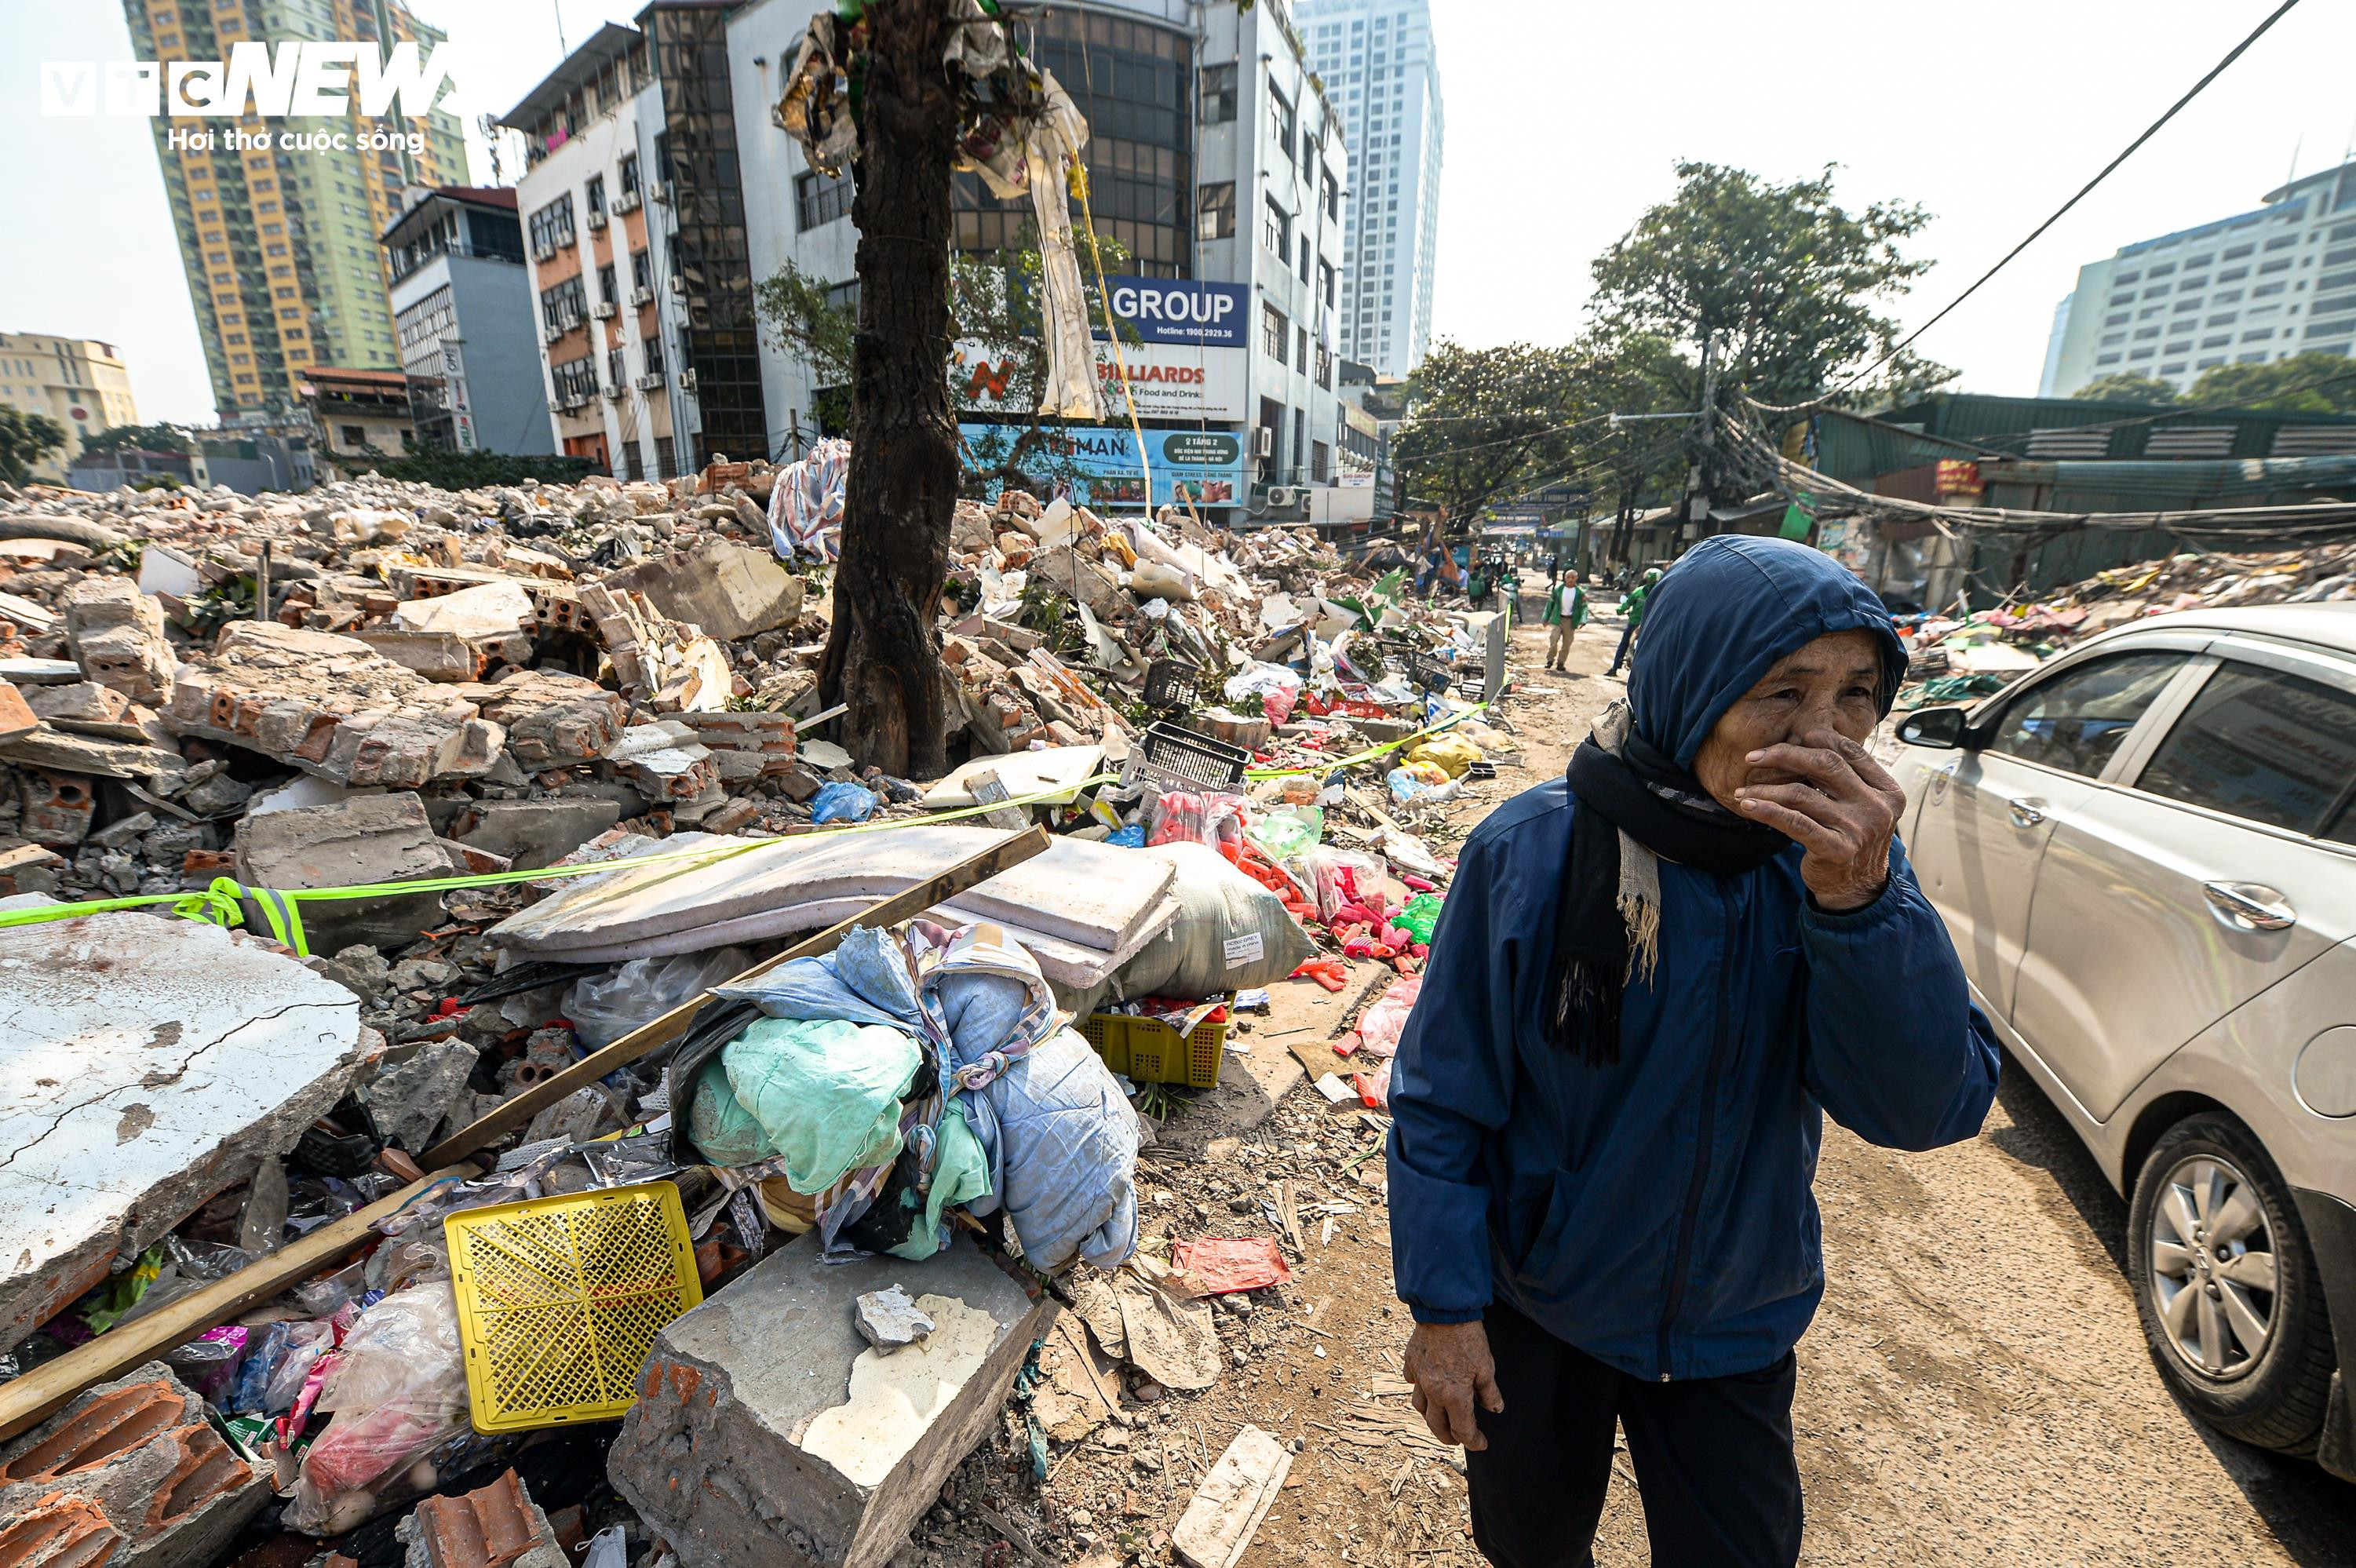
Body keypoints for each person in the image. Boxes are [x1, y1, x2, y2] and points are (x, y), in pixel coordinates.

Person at [1386, 535, 1999, 1568]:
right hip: (1546, 1304)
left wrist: (1858, 903)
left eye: (1856, 694)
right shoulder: (1532, 853)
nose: (1824, 736)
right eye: (1780, 692)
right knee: (1528, 1544)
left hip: (1735, 1319)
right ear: (1689, 686)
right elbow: (1445, 1098)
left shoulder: (1829, 871)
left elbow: (1924, 1107)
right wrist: (1446, 1311)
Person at [1605, 566, 1660, 677]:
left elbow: (1626, 604)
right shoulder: (1663, 593)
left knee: (1624, 645)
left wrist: (1620, 610)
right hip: (1653, 626)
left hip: (1634, 624)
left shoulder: (1639, 591)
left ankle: (1615, 668)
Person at [1542, 570, 1586, 670]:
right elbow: (1550, 605)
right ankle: (1550, 660)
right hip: (1558, 619)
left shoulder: (1579, 593)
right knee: (1554, 639)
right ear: (1565, 578)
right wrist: (1546, 618)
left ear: (1576, 579)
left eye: (1573, 577)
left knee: (1567, 643)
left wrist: (1583, 620)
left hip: (1571, 621)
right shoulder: (1558, 590)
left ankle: (1561, 662)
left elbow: (1584, 608)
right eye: (1568, 577)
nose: (1570, 579)